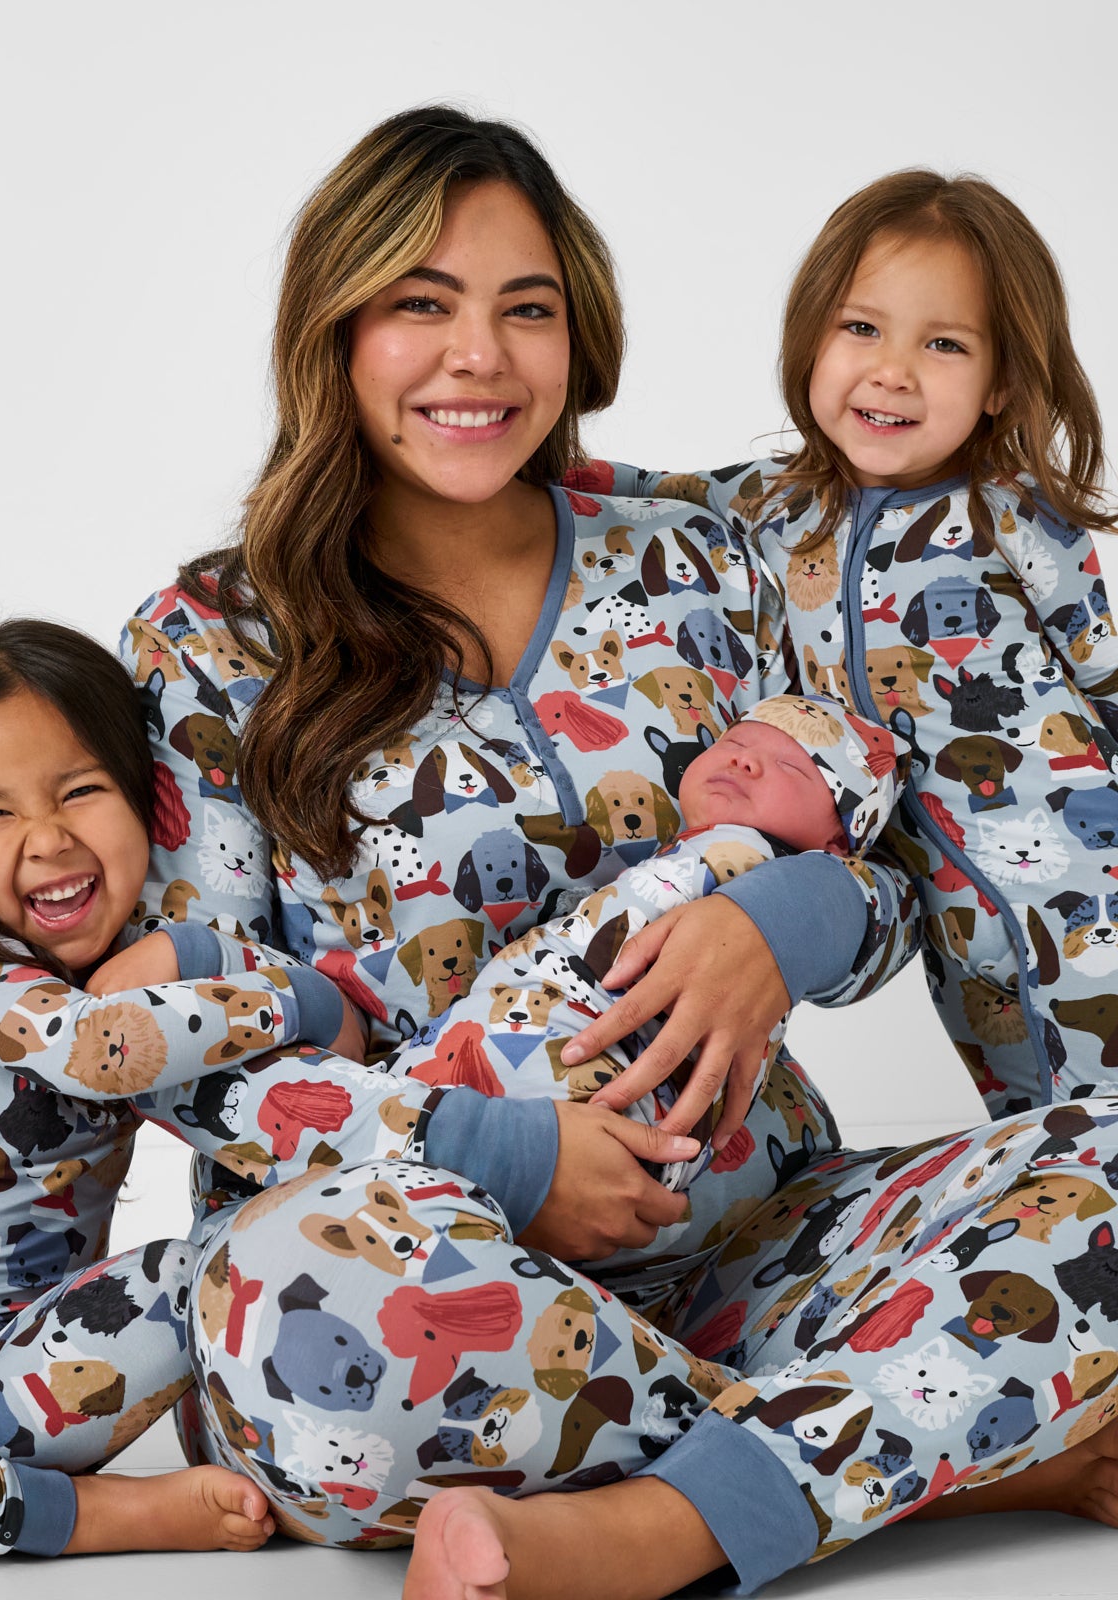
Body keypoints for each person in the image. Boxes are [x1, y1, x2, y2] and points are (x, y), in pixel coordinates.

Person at [118, 113, 1118, 1600]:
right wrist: (504, 1159)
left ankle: (647, 1527)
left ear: (579, 336)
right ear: (333, 331)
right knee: (281, 1312)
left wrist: (786, 921)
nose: (479, 357)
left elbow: (886, 866)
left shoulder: (694, 558)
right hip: (423, 1275)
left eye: (526, 309)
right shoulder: (208, 645)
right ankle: (934, 1454)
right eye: (421, 303)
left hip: (762, 1241)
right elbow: (176, 1047)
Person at [587, 168, 1118, 1125]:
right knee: (1038, 1127)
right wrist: (551, 468)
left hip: (1090, 877)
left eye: (943, 344)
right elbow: (655, 491)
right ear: (811, 338)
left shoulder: (1011, 513)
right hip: (960, 936)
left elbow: (1103, 670)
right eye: (861, 327)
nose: (892, 371)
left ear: (1001, 382)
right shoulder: (775, 502)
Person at [0, 620, 286, 1555]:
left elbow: (317, 1056)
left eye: (82, 791)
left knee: (204, 1273)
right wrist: (274, 990)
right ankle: (86, 1518)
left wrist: (222, 965)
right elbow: (90, 1050)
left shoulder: (135, 970)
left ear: (146, 801)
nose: (48, 840)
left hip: (22, 1383)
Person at [376, 693, 908, 1194]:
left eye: (793, 767)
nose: (745, 761)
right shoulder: (690, 850)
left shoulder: (765, 870)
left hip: (583, 1065)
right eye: (735, 743)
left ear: (838, 842)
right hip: (500, 1041)